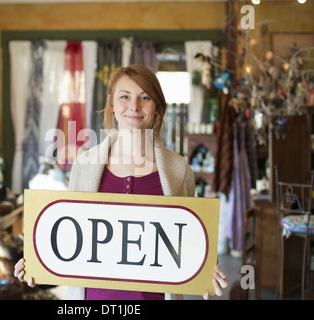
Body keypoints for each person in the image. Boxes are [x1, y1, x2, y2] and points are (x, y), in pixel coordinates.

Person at [14, 64, 227, 300]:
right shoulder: (84, 166)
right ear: (113, 104)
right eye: (125, 96)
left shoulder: (179, 170)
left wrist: (206, 268)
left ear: (156, 107)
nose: (134, 106)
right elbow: (71, 240)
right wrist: (37, 260)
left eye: (145, 97)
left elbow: (187, 240)